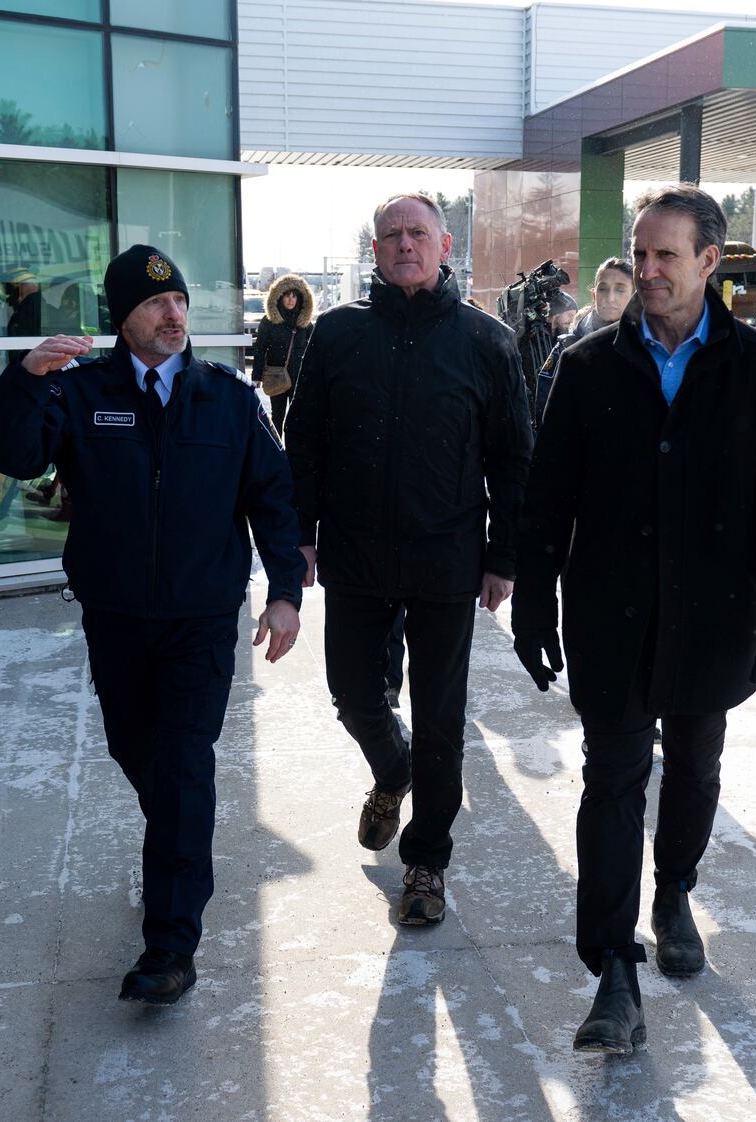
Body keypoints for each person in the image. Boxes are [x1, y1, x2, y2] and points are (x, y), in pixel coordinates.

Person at [512, 184, 756, 1054]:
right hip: (610, 617)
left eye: (665, 256)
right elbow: (548, 501)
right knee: (611, 780)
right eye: (639, 255)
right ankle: (613, 969)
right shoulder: (584, 368)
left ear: (709, 262)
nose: (646, 270)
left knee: (693, 764)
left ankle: (675, 885)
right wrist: (536, 599)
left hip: (719, 617)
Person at [0, 244, 305, 1006]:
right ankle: (178, 841)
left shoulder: (224, 397)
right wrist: (25, 380)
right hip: (116, 615)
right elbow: (11, 453)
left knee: (186, 762)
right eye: (156, 304)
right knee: (138, 749)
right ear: (123, 318)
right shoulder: (82, 393)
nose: (174, 314)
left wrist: (284, 590)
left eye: (181, 301)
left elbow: (272, 497)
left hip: (199, 618)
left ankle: (170, 943)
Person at [286, 192, 532, 926]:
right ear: (374, 248)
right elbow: (304, 446)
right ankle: (392, 771)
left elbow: (514, 460)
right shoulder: (334, 335)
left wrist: (503, 557)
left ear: (444, 245)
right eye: (390, 234)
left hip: (446, 557)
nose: (404, 245)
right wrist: (299, 535)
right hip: (355, 553)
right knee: (355, 695)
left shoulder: (485, 341)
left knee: (441, 718)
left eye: (417, 233)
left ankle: (426, 861)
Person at [534, 259, 634, 426]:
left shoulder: (649, 348)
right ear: (594, 295)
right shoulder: (568, 347)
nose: (610, 298)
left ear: (633, 296)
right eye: (603, 289)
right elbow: (546, 417)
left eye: (620, 289)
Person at [249, 272, 315, 434]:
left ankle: (295, 451)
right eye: (287, 296)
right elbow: (260, 348)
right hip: (276, 375)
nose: (291, 300)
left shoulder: (305, 322)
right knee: (277, 415)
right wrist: (257, 376)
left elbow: (314, 349)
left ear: (300, 298)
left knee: (297, 415)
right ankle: (277, 450)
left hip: (299, 377)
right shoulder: (269, 320)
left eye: (294, 296)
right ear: (279, 297)